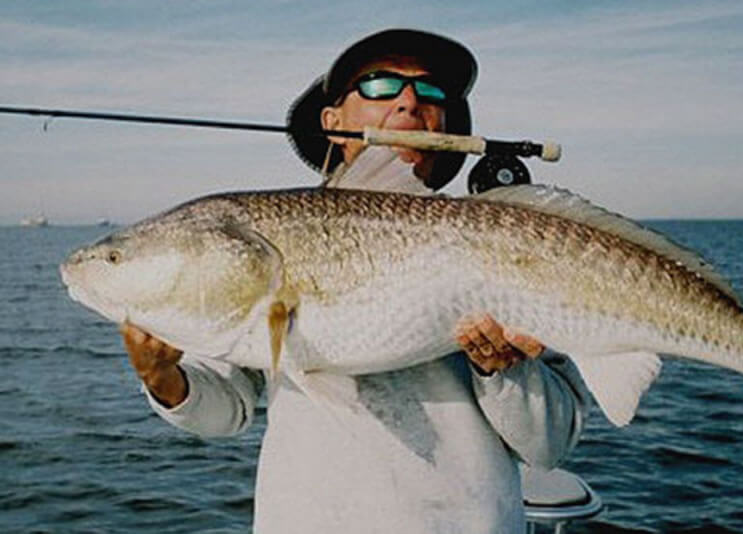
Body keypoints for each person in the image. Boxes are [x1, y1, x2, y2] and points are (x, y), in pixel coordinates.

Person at [121, 29, 588, 534]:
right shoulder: (270, 239)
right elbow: (225, 410)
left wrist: (506, 374)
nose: (409, 103)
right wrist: (163, 380)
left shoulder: (514, 245)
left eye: (431, 92)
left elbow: (551, 444)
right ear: (333, 121)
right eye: (381, 85)